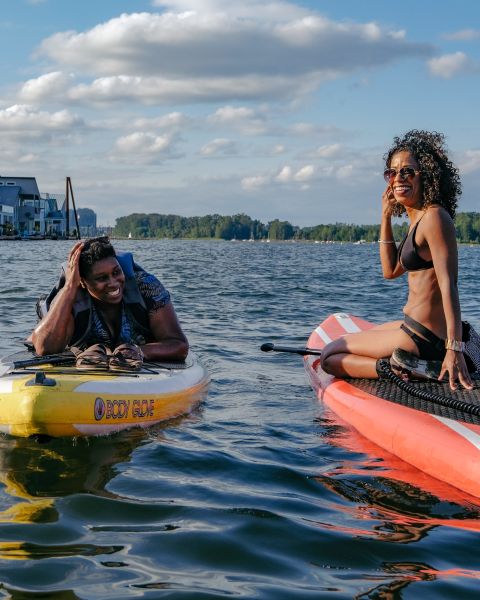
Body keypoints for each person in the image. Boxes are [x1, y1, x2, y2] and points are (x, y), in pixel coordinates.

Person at [320, 130, 473, 391]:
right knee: (346, 340)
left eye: (407, 171)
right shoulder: (418, 220)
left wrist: (454, 348)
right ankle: (404, 364)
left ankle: (394, 368)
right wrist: (385, 216)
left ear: (427, 175)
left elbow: (450, 285)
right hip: (412, 326)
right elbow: (390, 271)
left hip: (428, 338)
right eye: (392, 173)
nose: (398, 178)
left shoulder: (435, 218)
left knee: (329, 357)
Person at [31, 236, 189, 370]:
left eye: (116, 272)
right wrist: (71, 286)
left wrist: (139, 351)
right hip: (85, 354)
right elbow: (45, 348)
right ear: (83, 282)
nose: (113, 283)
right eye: (101, 278)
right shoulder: (72, 295)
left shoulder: (146, 287)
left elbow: (179, 346)